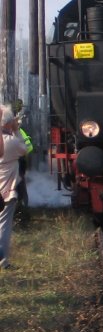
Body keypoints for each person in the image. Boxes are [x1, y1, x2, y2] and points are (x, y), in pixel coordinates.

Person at [0, 103, 29, 270]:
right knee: (4, 225)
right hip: (5, 189)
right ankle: (3, 260)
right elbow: (24, 149)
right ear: (7, 123)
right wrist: (17, 129)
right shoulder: (10, 141)